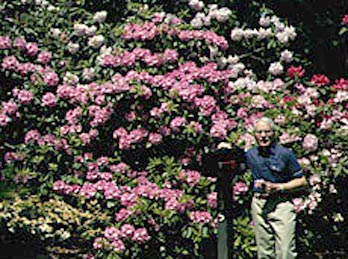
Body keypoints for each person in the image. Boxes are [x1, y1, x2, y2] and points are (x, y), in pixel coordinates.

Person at [245, 117, 307, 259]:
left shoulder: (285, 154)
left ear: (273, 133)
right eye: (259, 132)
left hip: (281, 204)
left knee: (285, 252)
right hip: (259, 204)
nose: (263, 136)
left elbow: (302, 181)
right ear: (254, 134)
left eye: (267, 132)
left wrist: (279, 187)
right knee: (264, 251)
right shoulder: (250, 154)